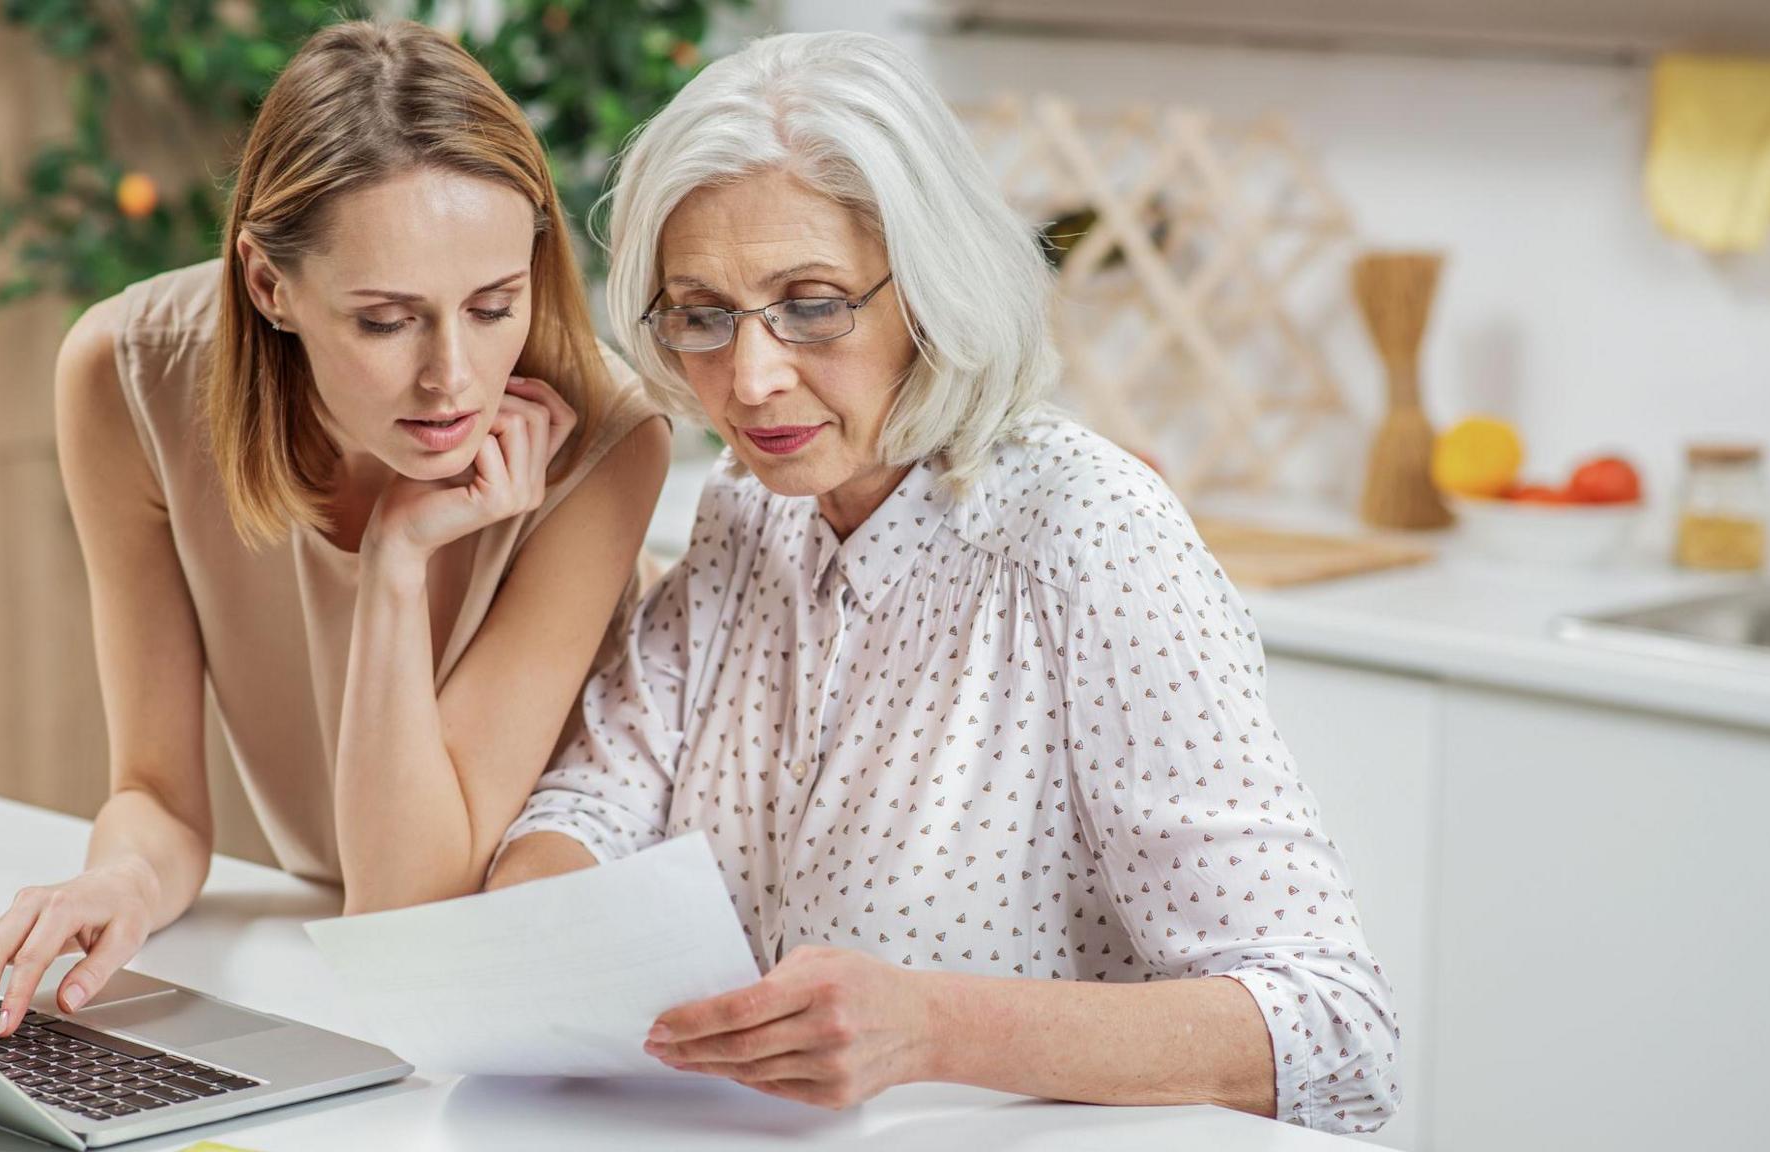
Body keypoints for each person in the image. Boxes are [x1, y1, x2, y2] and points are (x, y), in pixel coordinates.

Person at [486, 31, 1398, 1133]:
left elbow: (1331, 1026)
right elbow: (596, 798)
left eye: (811, 303)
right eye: (701, 314)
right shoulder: (746, 504)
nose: (750, 375)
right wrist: (528, 929)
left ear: (928, 287)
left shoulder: (1088, 536)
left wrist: (930, 1027)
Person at [0, 19, 670, 1044]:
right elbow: (158, 796)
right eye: (385, 320)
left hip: (525, 992)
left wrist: (395, 562)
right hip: (331, 961)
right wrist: (119, 878)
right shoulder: (130, 381)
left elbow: (411, 915)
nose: (453, 377)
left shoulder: (603, 443)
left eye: (492, 305)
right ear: (268, 284)